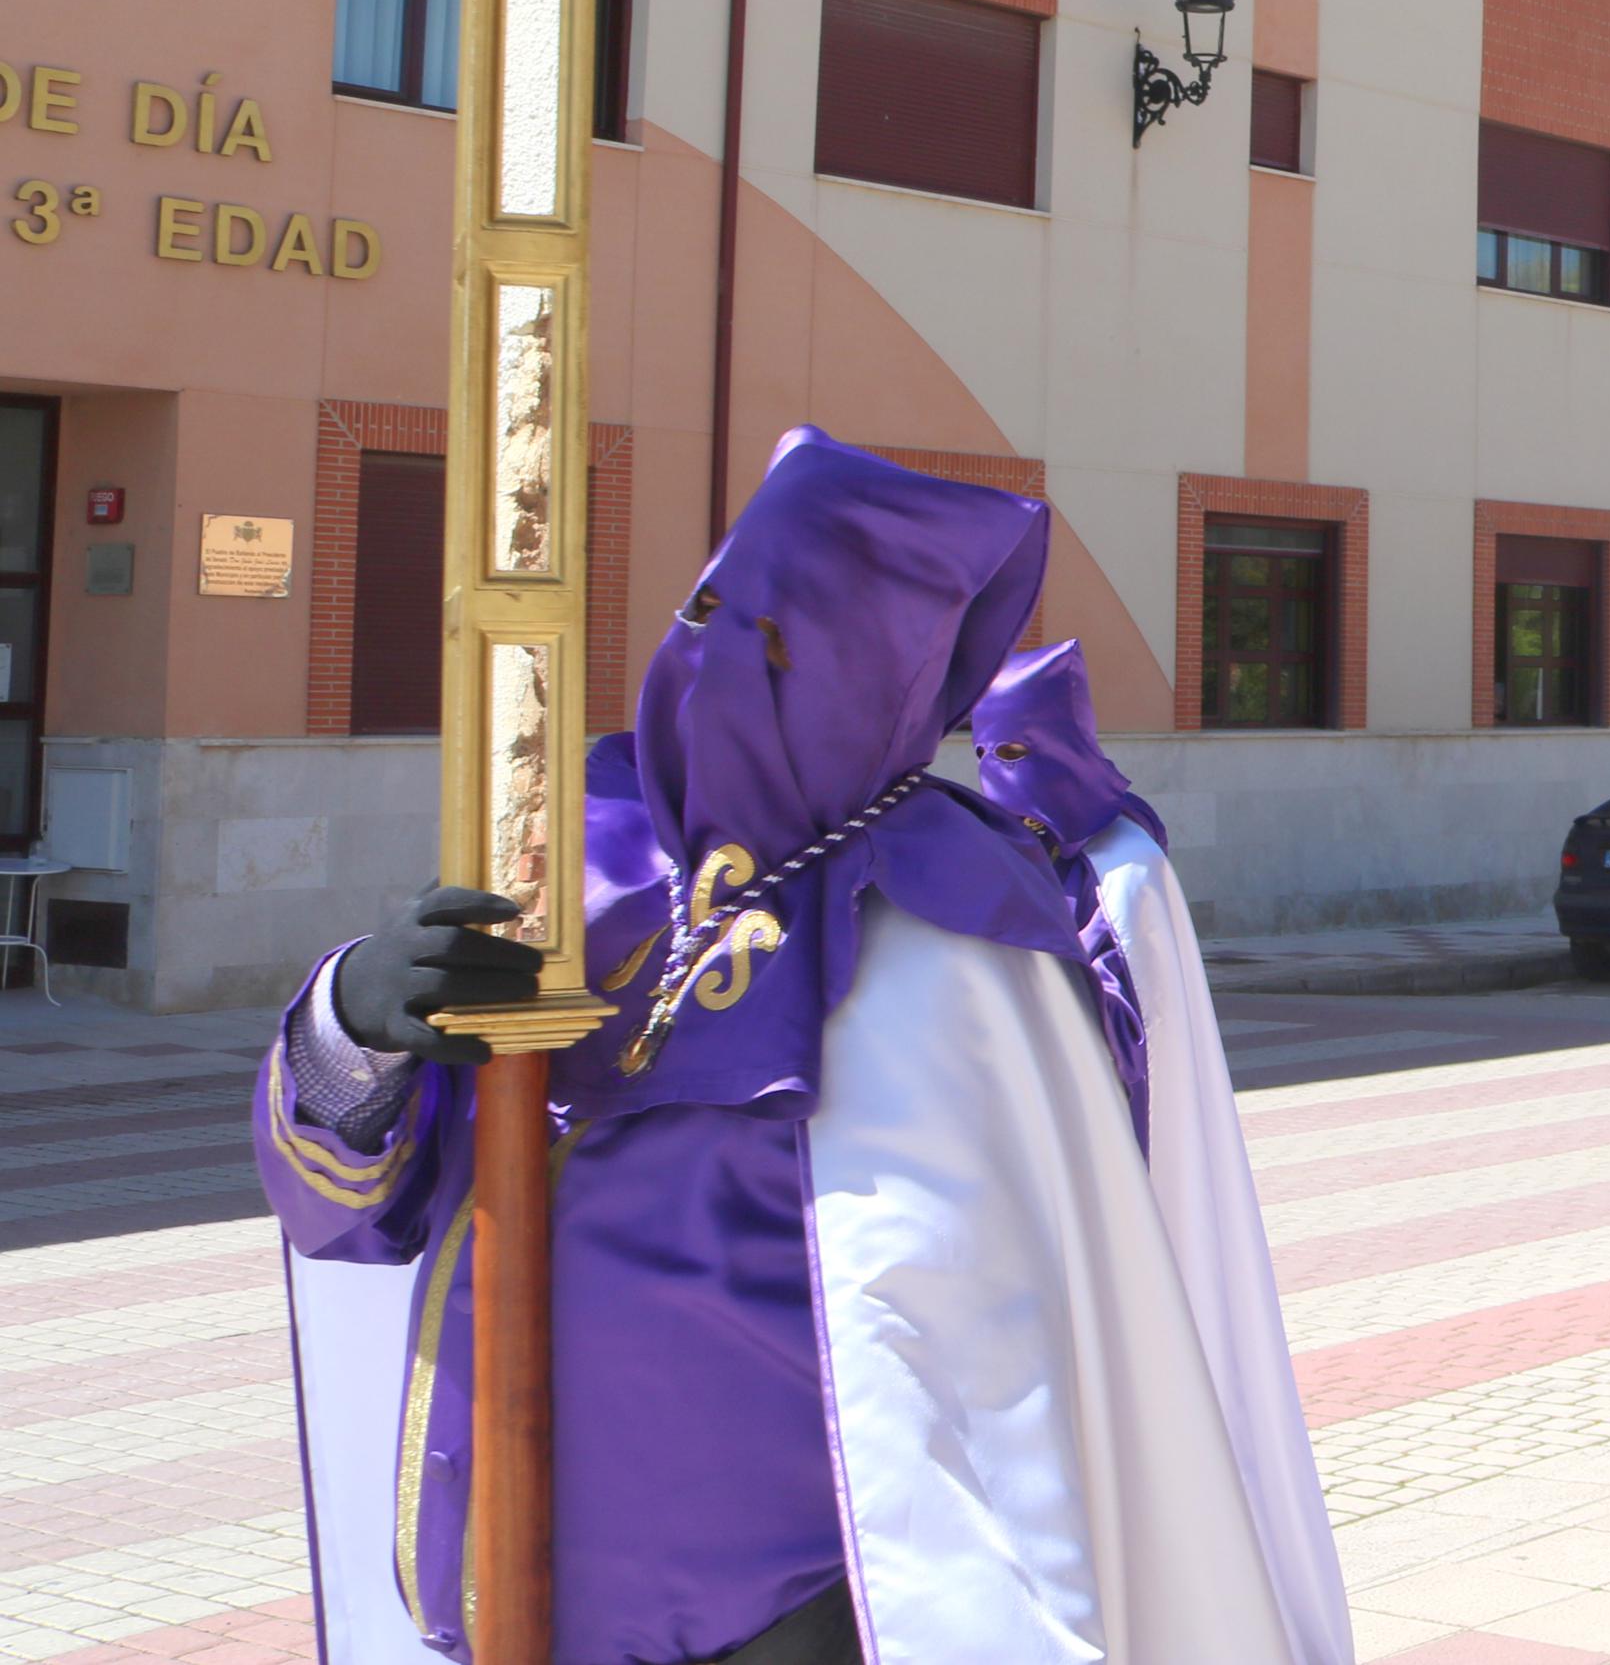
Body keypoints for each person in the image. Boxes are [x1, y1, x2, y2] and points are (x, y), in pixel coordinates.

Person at [256, 432, 1353, 1665]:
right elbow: (346, 1207)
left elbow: (1005, 1319)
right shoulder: (568, 842)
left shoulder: (964, 924)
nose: (729, 659)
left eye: (795, 644)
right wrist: (357, 1018)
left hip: (820, 1600)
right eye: (719, 608)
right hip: (515, 1563)